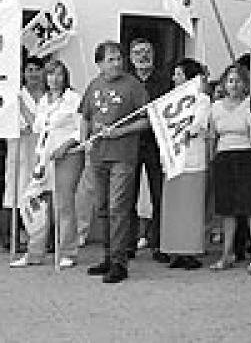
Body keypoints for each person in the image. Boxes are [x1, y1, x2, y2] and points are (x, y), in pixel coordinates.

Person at [81, 41, 150, 284]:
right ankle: (108, 256)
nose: (117, 63)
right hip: (98, 155)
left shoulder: (133, 86)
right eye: (110, 59)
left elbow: (146, 120)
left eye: (119, 58)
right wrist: (85, 140)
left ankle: (120, 262)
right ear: (99, 63)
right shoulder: (94, 85)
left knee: (118, 208)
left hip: (123, 155)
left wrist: (120, 131)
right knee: (102, 208)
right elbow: (86, 117)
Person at [9, 60, 84, 269]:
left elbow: (80, 129)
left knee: (63, 203)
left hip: (67, 155)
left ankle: (68, 251)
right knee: (32, 200)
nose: (54, 79)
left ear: (65, 76)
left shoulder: (73, 98)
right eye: (51, 74)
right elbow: (37, 126)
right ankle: (34, 251)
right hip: (44, 156)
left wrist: (65, 147)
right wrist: (19, 104)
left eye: (59, 74)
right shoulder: (44, 100)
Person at [209, 64, 251, 273]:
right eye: (230, 81)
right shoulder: (215, 107)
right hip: (224, 158)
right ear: (224, 84)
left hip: (249, 157)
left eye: (238, 81)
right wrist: (211, 159)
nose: (234, 85)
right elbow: (212, 136)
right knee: (227, 209)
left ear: (246, 84)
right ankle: (227, 254)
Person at [160, 59, 210, 270]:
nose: (174, 78)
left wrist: (186, 129)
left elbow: (199, 124)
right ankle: (174, 250)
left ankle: (190, 251)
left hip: (192, 158)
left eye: (179, 74)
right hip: (173, 159)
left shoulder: (202, 99)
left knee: (191, 208)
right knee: (173, 208)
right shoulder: (169, 100)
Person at [127, 38, 170, 262]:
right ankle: (128, 244)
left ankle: (159, 244)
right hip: (130, 143)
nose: (143, 56)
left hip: (157, 144)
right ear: (131, 57)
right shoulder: (126, 82)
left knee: (159, 195)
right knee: (128, 196)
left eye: (146, 51)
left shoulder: (165, 82)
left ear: (153, 54)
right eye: (137, 52)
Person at [3, 57, 46, 251]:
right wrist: (19, 127)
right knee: (14, 191)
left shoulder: (48, 96)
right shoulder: (15, 95)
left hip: (40, 151)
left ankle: (38, 237)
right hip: (19, 150)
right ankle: (10, 237)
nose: (33, 74)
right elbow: (6, 121)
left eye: (37, 69)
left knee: (38, 192)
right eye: (30, 70)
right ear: (23, 73)